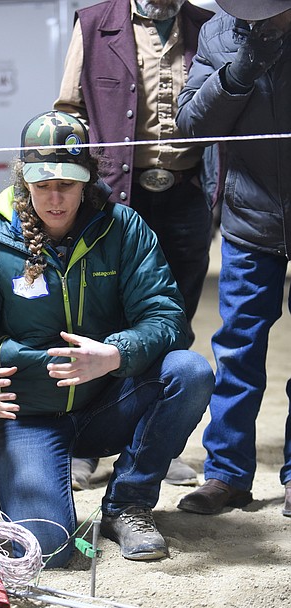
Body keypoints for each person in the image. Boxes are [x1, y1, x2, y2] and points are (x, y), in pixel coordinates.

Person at [0, 110, 214, 567]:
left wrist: (115, 354)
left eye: (66, 184)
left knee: (189, 371)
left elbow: (168, 318)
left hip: (108, 400)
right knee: (46, 550)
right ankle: (50, 498)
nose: (55, 198)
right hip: (30, 415)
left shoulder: (124, 228)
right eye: (43, 184)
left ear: (86, 180)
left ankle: (127, 504)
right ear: (24, 180)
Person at [54, 0, 215, 489]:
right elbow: (69, 112)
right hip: (115, 194)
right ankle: (84, 446)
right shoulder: (94, 23)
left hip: (187, 194)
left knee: (173, 322)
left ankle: (156, 446)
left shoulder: (205, 25)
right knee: (101, 319)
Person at [175, 0, 291, 517]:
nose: (259, 19)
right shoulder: (219, 33)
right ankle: (226, 474)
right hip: (249, 220)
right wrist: (243, 67)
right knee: (238, 349)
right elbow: (191, 123)